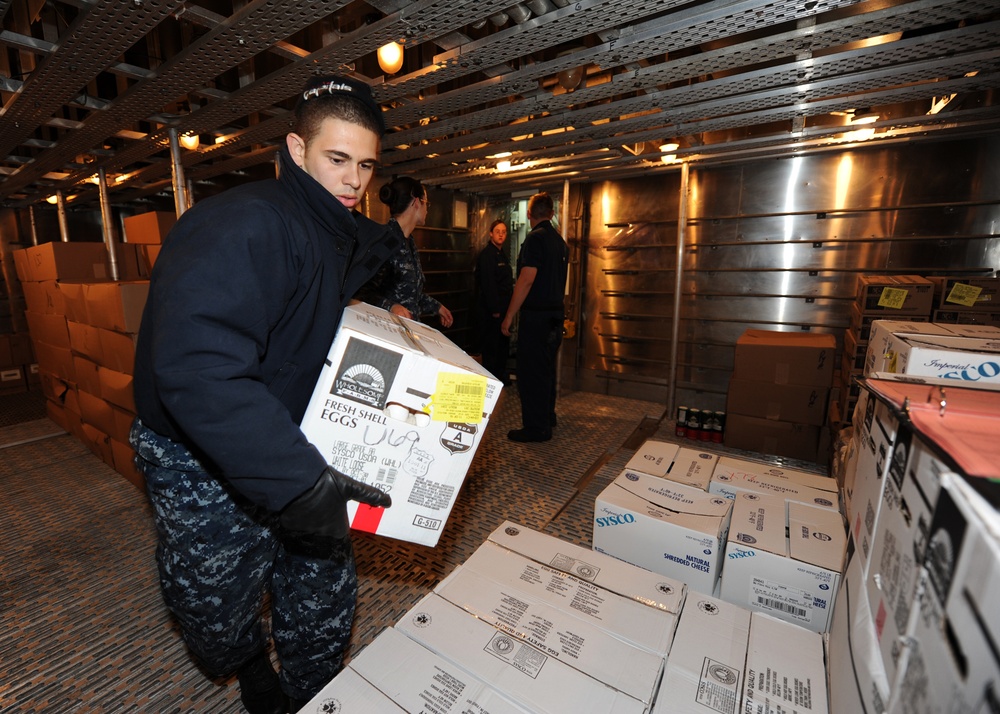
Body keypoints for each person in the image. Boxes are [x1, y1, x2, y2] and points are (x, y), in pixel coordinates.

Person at [129, 75, 400, 714]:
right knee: (213, 602)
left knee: (322, 593)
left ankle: (314, 693)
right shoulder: (243, 224)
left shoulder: (334, 233)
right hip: (200, 455)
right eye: (337, 159)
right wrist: (297, 482)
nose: (354, 180)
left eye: (365, 165)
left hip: (293, 437)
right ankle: (248, 664)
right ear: (296, 150)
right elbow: (199, 369)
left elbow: (296, 319)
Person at [501, 192, 569, 443]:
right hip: (555, 316)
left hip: (537, 318)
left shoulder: (535, 240)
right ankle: (547, 416)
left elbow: (527, 279)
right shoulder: (560, 243)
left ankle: (536, 428)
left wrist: (509, 315)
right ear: (551, 214)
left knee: (530, 374)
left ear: (529, 214)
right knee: (546, 369)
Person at [362, 176, 454, 327]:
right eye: (426, 203)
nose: (427, 210)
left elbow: (408, 293)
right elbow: (362, 293)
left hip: (408, 331)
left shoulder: (408, 241)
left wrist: (437, 307)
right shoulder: (384, 242)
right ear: (417, 203)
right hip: (388, 331)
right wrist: (391, 307)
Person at [475, 219, 514, 383]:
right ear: (491, 233)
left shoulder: (502, 254)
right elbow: (488, 283)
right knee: (492, 346)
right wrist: (495, 309)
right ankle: (492, 379)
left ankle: (500, 375)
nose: (501, 234)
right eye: (497, 231)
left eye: (504, 231)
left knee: (502, 344)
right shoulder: (487, 255)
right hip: (492, 312)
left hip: (504, 309)